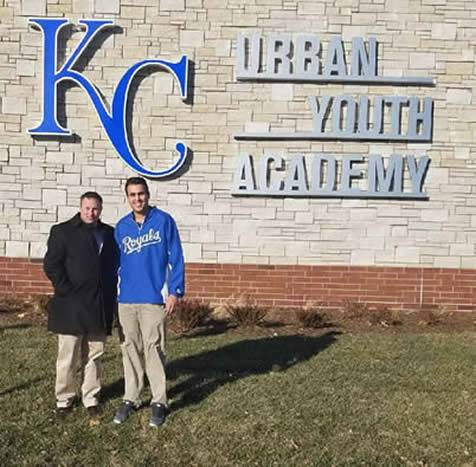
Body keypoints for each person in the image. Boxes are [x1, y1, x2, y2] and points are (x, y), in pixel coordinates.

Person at [113, 177, 184, 428]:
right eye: (132, 195)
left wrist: (175, 291)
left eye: (141, 194)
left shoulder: (164, 221)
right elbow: (114, 265)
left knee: (154, 348)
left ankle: (159, 401)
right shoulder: (121, 227)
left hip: (154, 298)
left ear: (148, 194)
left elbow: (176, 256)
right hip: (126, 300)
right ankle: (131, 396)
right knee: (129, 348)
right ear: (127, 197)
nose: (137, 199)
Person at [43, 192, 118, 418]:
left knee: (94, 354)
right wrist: (66, 291)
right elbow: (52, 265)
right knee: (68, 357)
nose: (91, 212)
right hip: (71, 306)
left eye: (95, 209)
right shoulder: (62, 231)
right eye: (87, 208)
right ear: (80, 207)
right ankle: (64, 399)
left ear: (100, 209)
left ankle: (90, 397)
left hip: (98, 306)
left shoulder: (109, 233)